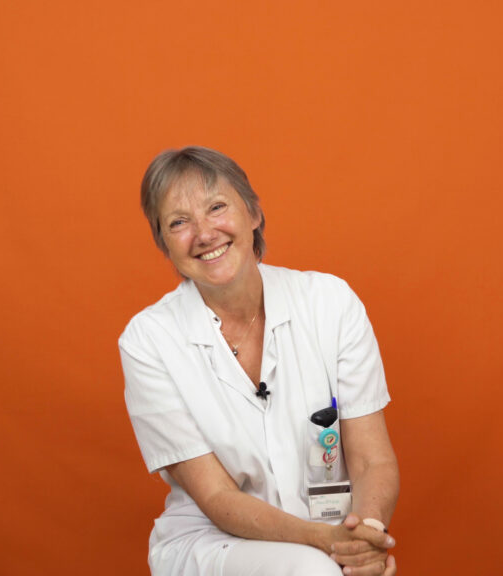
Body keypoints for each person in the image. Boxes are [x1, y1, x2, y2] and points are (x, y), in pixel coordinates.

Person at [120, 146, 400, 576]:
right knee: (314, 571)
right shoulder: (147, 340)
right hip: (213, 541)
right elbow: (218, 498)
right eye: (178, 222)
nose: (204, 233)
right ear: (164, 244)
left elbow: (371, 461)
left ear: (253, 212)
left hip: (333, 531)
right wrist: (328, 544)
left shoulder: (331, 303)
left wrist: (366, 537)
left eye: (217, 207)